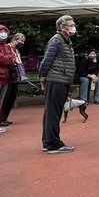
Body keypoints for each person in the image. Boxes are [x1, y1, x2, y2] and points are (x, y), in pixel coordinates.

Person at [39, 15, 78, 154]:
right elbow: (46, 60)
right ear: (62, 27)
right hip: (56, 80)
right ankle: (53, 144)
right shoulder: (57, 40)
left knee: (52, 112)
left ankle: (48, 142)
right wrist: (43, 76)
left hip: (61, 80)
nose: (74, 27)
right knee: (53, 113)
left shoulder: (66, 41)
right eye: (71, 25)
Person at [0, 33, 26, 126]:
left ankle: (5, 117)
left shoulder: (17, 51)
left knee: (12, 98)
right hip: (8, 76)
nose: (22, 43)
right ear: (15, 40)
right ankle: (0, 118)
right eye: (21, 41)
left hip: (15, 76)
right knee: (5, 98)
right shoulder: (6, 48)